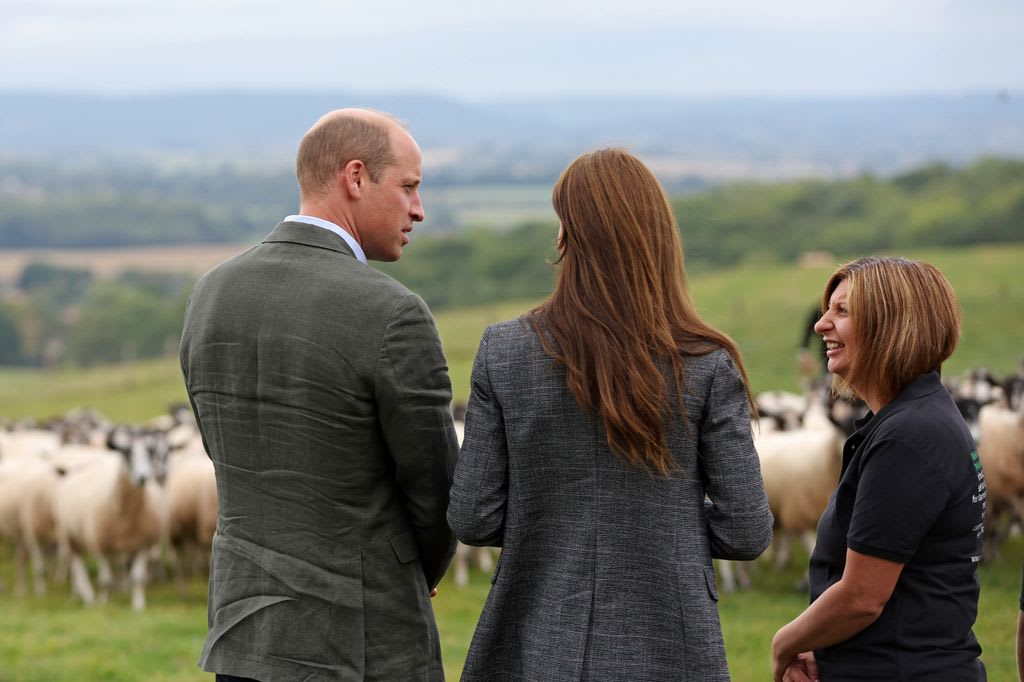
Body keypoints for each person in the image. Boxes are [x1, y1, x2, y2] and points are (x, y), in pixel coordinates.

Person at [447, 148, 773, 680]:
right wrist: (661, 532)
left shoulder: (504, 351)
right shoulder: (707, 364)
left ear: (567, 238)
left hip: (533, 640)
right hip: (672, 646)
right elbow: (746, 530)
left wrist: (550, 526)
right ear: (659, 239)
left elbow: (473, 516)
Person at [179, 109, 459, 682]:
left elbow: (223, 452)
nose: (418, 209)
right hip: (362, 644)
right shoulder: (391, 313)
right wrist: (417, 570)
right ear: (355, 178)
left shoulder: (210, 293)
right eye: (408, 186)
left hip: (243, 634)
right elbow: (435, 489)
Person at [771, 256, 986, 682]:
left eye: (842, 311)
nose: (821, 325)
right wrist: (832, 653)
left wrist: (786, 643)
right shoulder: (912, 420)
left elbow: (863, 597)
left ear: (892, 324)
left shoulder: (908, 436)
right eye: (827, 308)